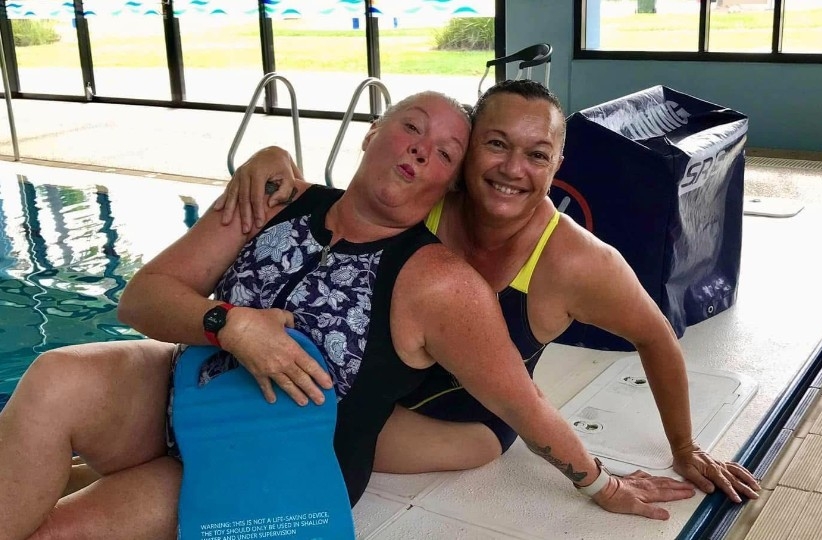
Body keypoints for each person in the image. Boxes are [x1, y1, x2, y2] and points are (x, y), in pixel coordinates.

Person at [0, 91, 694, 540]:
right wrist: (230, 325)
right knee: (55, 376)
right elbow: (141, 297)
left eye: (443, 151)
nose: (421, 149)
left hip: (269, 446)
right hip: (185, 384)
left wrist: (605, 480)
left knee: (60, 529)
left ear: (445, 182)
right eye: (410, 128)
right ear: (369, 133)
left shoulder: (445, 281)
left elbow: (522, 402)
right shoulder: (276, 196)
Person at [221, 80, 760, 503]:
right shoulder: (428, 199)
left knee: (276, 431)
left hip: (457, 423)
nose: (512, 170)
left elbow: (656, 337)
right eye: (496, 145)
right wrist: (275, 160)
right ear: (467, 152)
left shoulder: (577, 263)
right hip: (371, 384)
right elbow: (353, 201)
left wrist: (684, 449)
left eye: (537, 155)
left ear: (558, 165)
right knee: (247, 405)